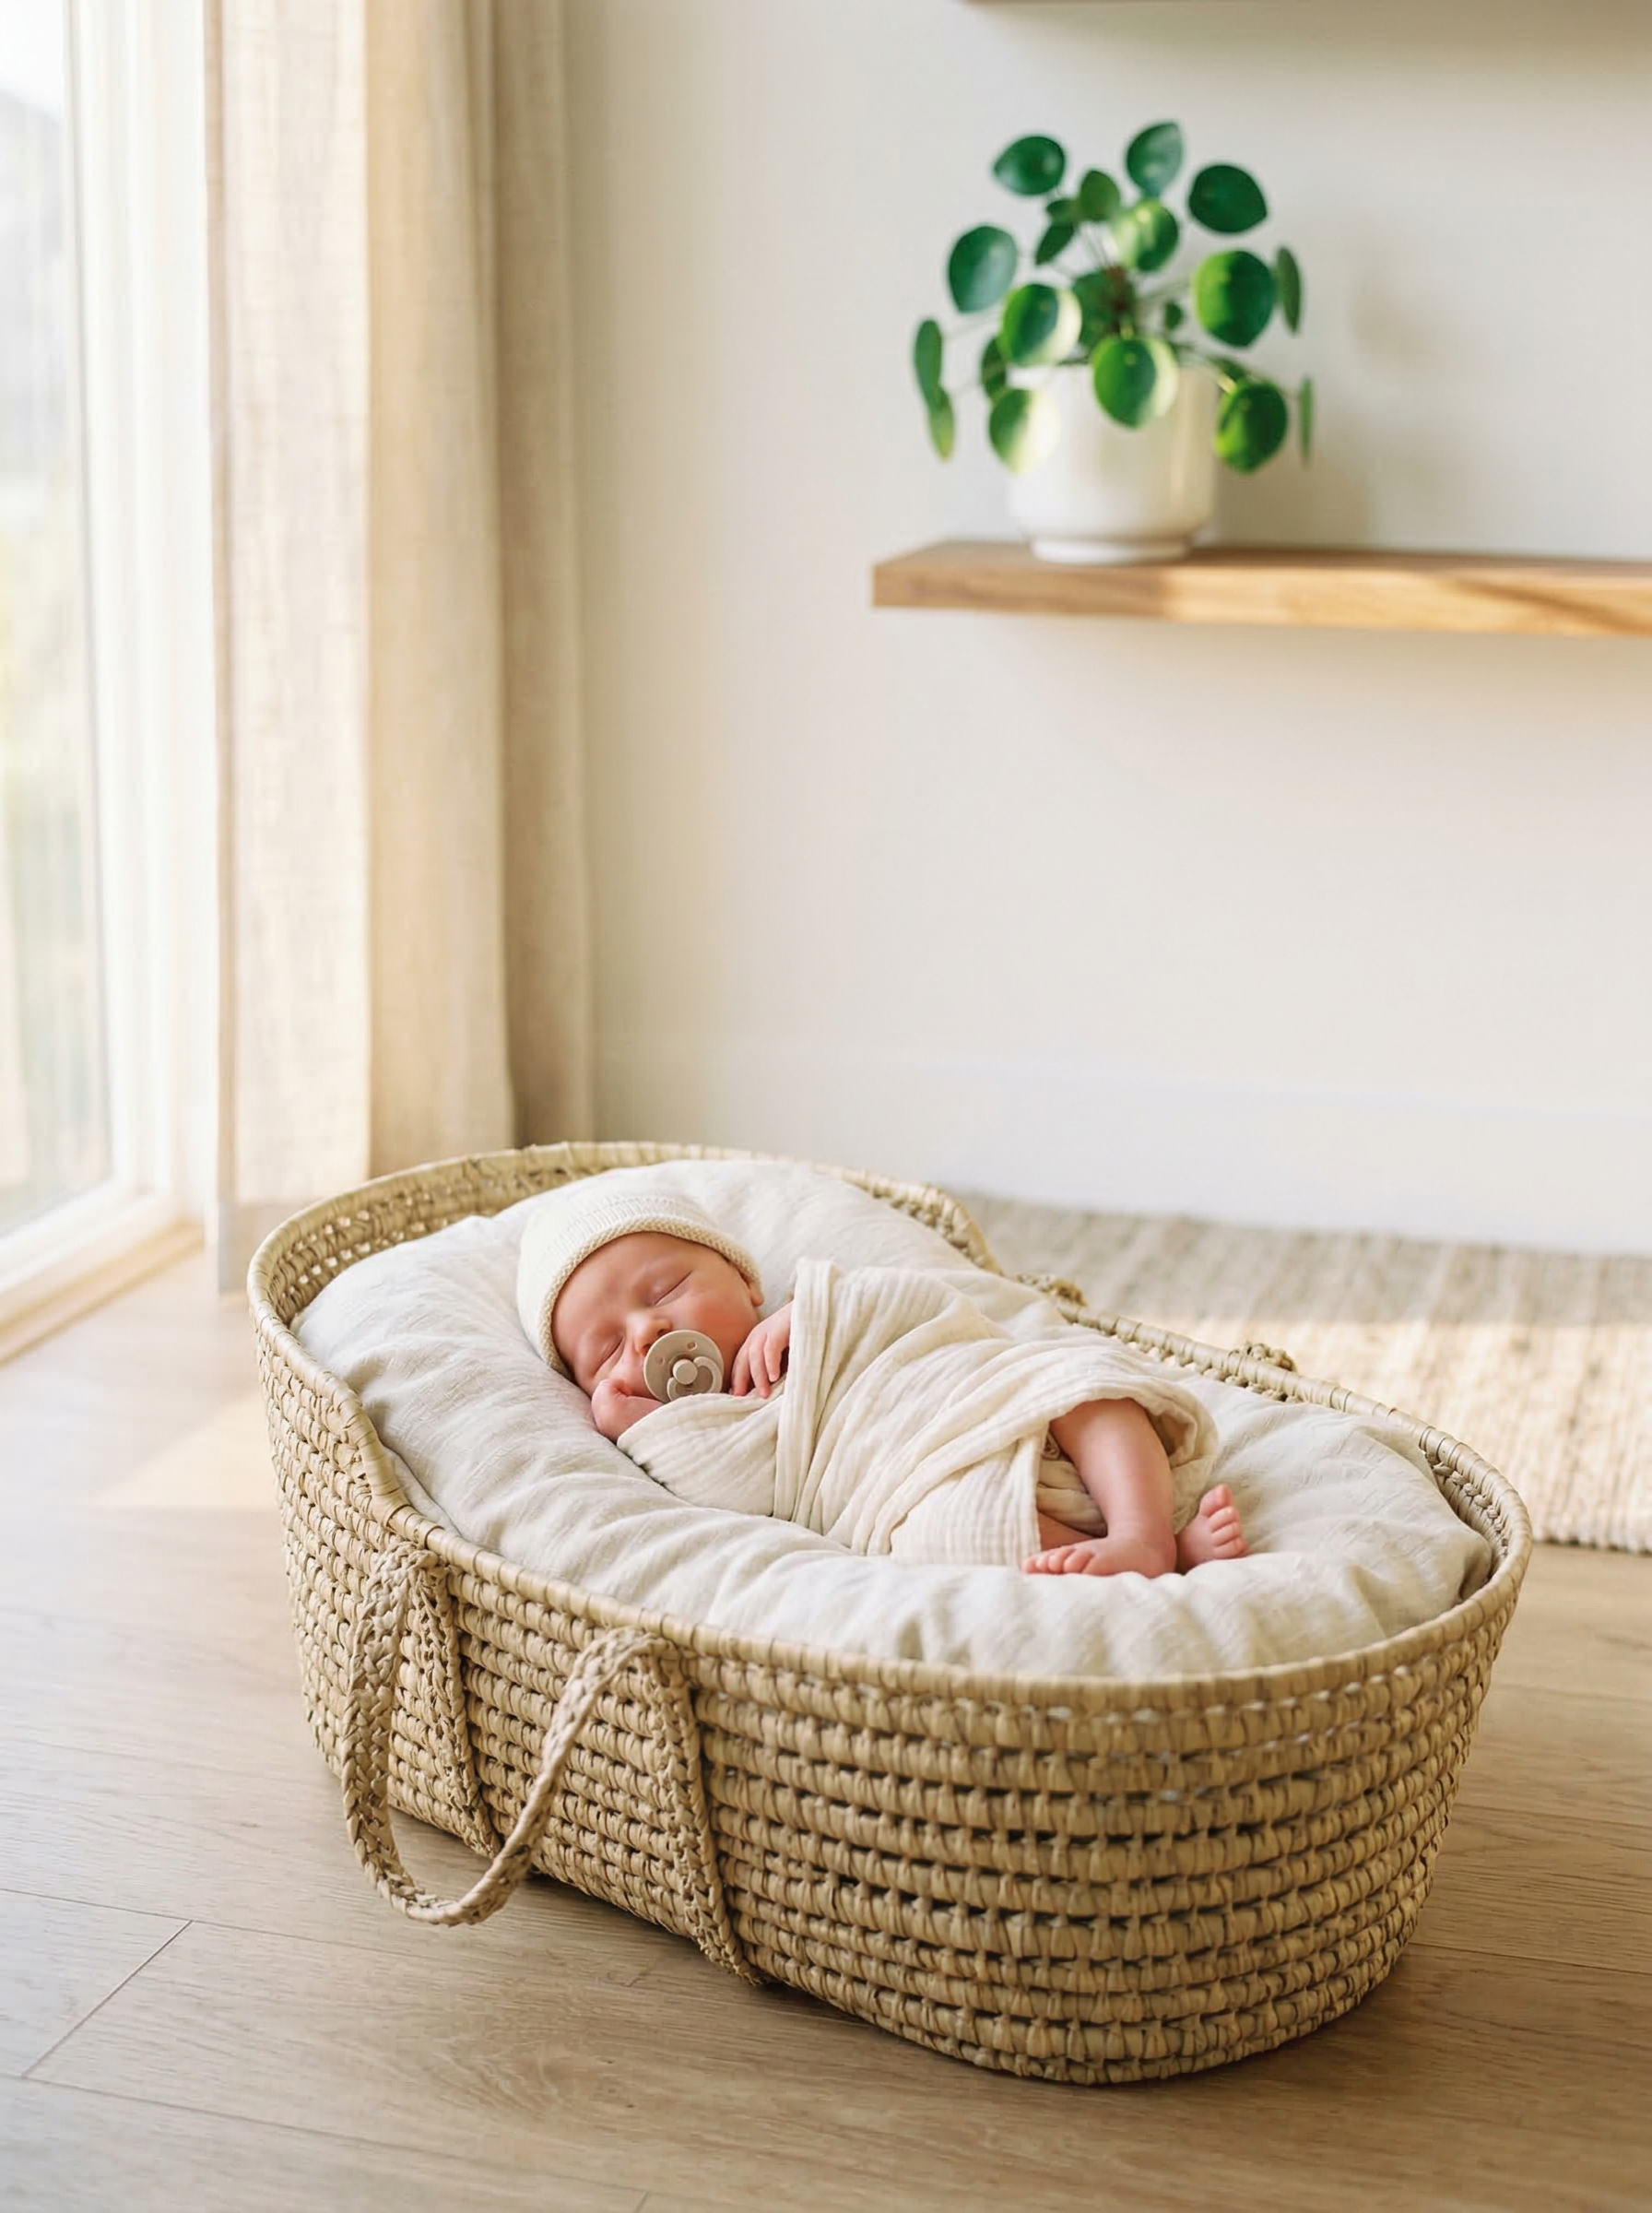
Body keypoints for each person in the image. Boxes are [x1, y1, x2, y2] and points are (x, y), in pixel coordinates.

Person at [518, 1178, 1246, 1580]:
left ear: (745, 1281)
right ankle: (1143, 1566)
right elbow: (739, 1486)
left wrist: (819, 1309)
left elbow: (928, 1308)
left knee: (1086, 1382)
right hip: (914, 1488)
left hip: (981, 1400)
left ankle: (1144, 1531)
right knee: (954, 1539)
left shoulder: (818, 1308)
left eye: (665, 1290)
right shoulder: (709, 1429)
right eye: (606, 1350)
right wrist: (641, 1429)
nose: (646, 1335)